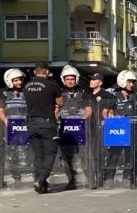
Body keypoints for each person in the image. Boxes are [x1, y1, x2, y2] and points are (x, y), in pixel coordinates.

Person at [22, 62, 64, 194]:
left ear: (35, 72)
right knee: (50, 153)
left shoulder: (27, 85)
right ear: (46, 72)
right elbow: (60, 102)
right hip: (46, 122)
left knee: (38, 155)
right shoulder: (52, 84)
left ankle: (40, 183)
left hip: (31, 123)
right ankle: (41, 179)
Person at [104, 70, 137, 186]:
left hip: (132, 129)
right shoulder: (113, 95)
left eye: (133, 82)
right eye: (129, 82)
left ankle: (128, 178)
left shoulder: (135, 95)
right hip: (118, 129)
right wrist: (110, 118)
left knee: (131, 155)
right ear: (122, 81)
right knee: (114, 154)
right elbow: (105, 112)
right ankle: (109, 178)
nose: (132, 84)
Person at [57, 66, 91, 190]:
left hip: (80, 128)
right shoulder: (58, 93)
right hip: (65, 129)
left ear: (76, 79)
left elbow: (88, 110)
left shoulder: (83, 93)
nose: (70, 81)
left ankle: (90, 179)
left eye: (72, 79)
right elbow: (55, 109)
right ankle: (71, 181)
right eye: (67, 79)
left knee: (84, 155)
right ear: (63, 80)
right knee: (67, 157)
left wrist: (82, 119)